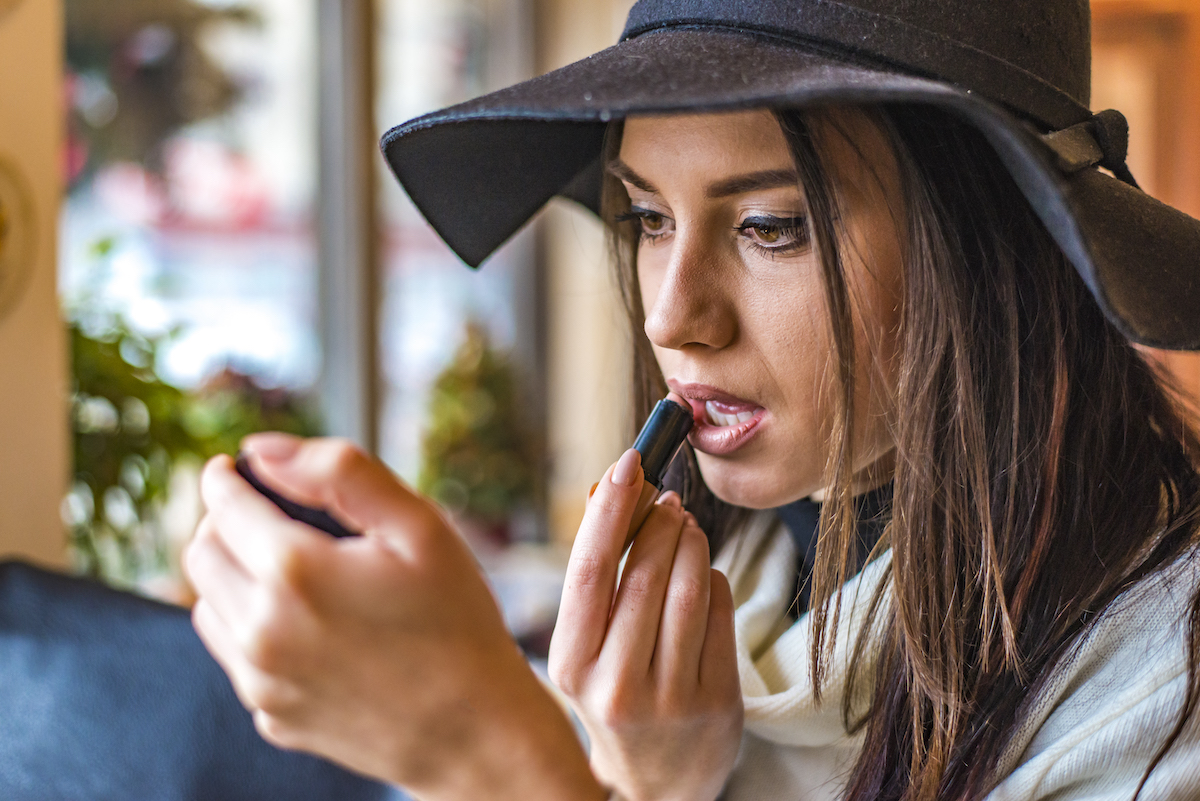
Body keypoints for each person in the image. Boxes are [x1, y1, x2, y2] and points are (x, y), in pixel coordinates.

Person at [183, 1, 1200, 799]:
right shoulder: (717, 580)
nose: (673, 317)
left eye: (768, 226)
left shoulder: (1158, 679)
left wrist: (491, 758)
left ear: (995, 253)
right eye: (644, 217)